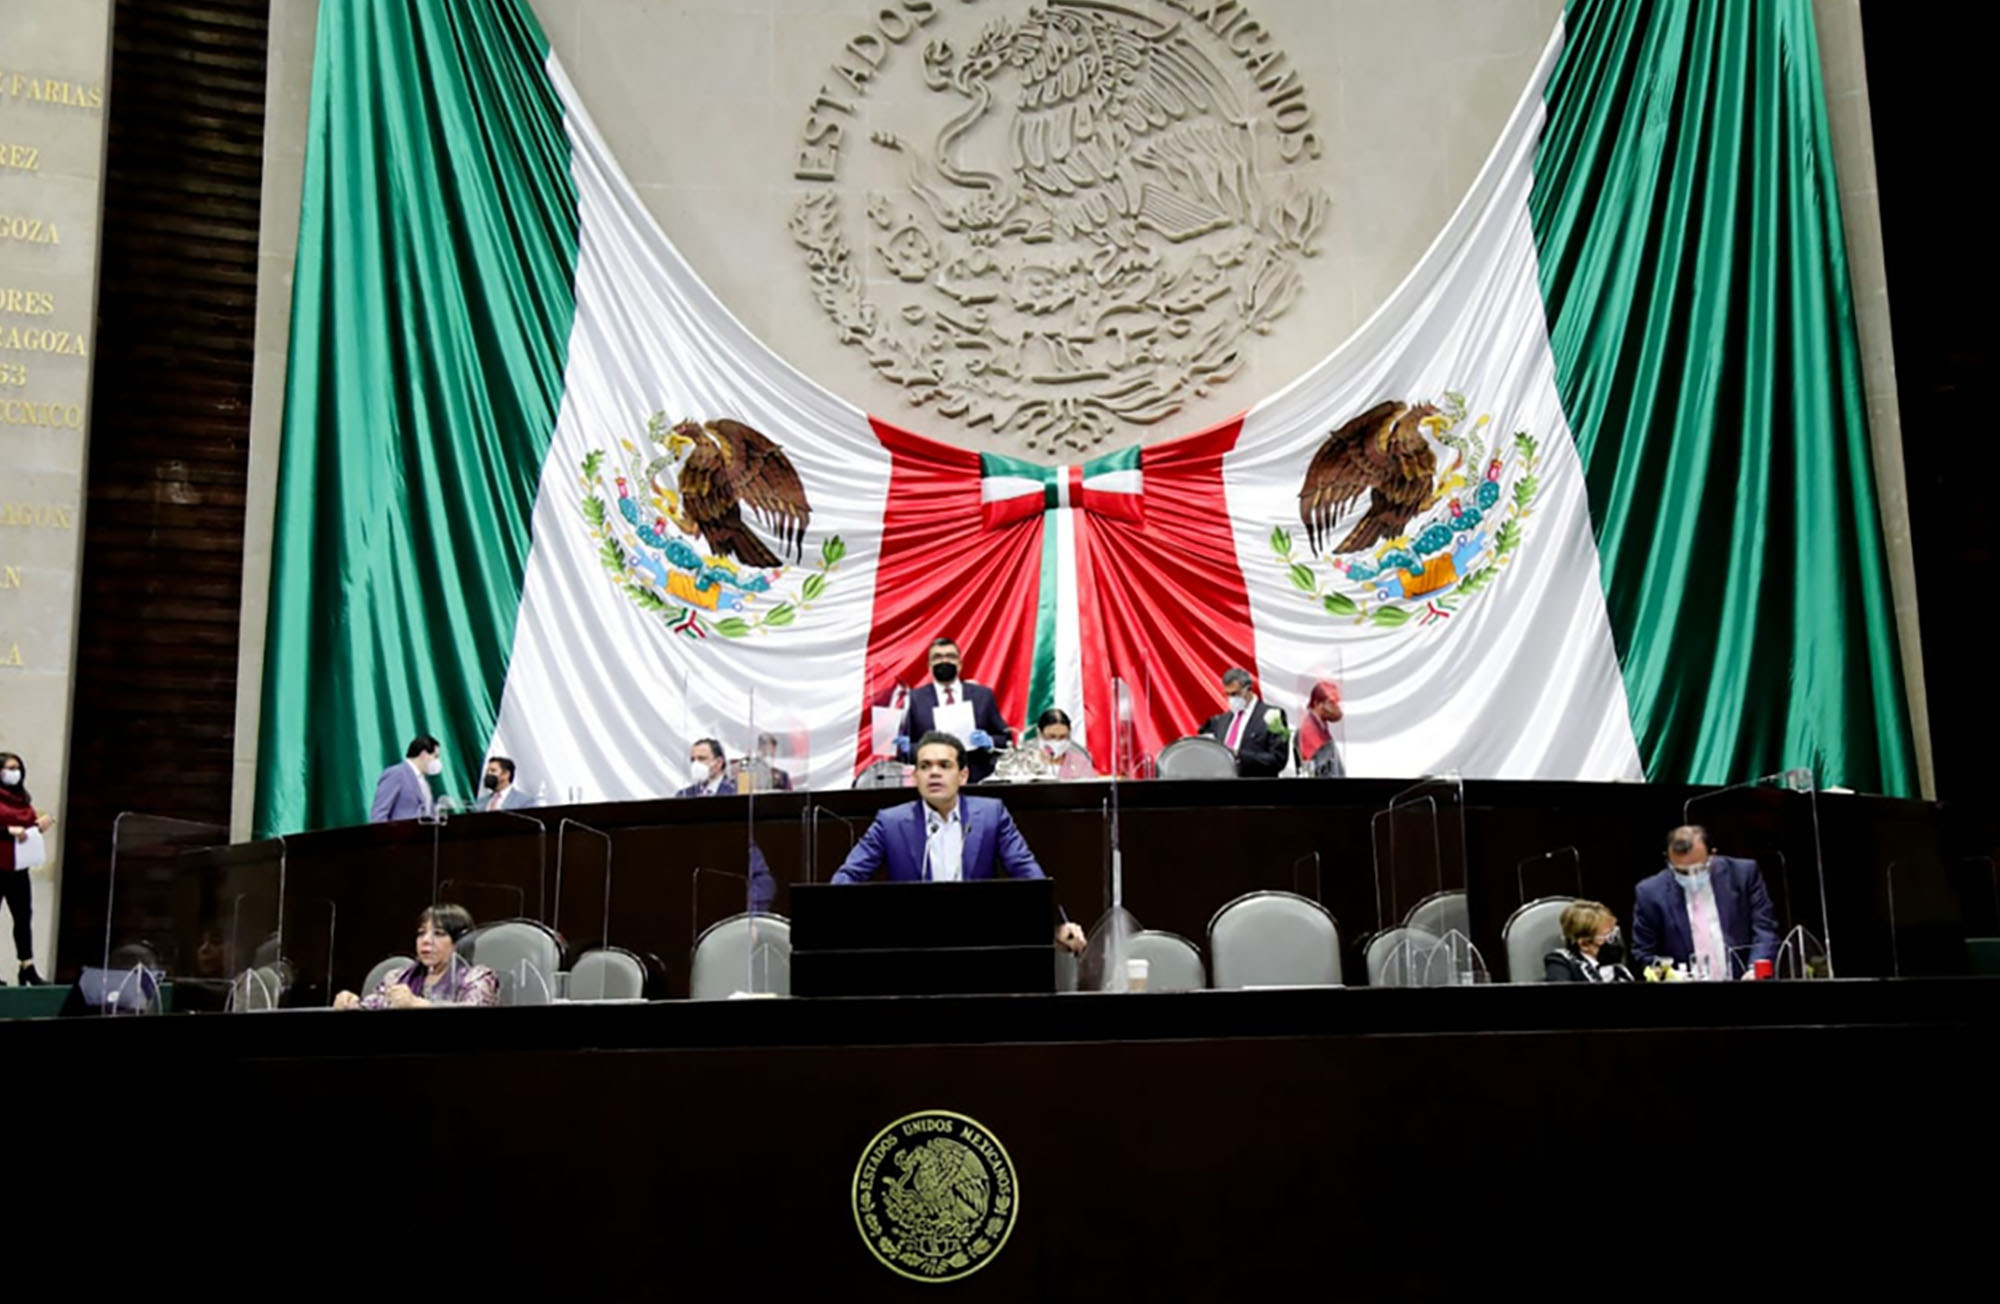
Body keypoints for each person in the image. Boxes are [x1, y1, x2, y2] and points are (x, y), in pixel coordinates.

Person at [834, 732, 1086, 954]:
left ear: (963, 775)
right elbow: (850, 876)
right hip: (911, 947)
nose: (934, 772)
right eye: (925, 766)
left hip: (977, 943)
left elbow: (1026, 870)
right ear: (916, 776)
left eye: (944, 765)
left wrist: (1056, 923)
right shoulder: (890, 822)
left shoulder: (991, 814)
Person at [1632, 824, 1780, 980]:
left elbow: (1765, 929)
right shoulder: (1650, 892)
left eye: (1699, 869)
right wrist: (1670, 975)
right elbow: (1643, 953)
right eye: (1682, 871)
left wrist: (1755, 970)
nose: (1691, 876)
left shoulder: (1743, 875)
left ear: (1712, 855)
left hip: (1742, 980)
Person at [332, 904, 498, 1009]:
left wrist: (418, 1005)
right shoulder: (396, 977)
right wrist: (350, 1004)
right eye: (421, 934)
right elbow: (372, 1007)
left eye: (438, 934)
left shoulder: (478, 977)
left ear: (459, 942)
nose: (425, 941)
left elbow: (475, 1018)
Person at [897, 636, 1013, 784]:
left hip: (978, 780)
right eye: (937, 657)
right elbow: (904, 749)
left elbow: (1005, 738)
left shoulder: (983, 696)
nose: (944, 660)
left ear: (959, 663)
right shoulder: (913, 699)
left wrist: (990, 742)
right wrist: (914, 749)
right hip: (933, 782)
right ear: (929, 665)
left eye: (950, 656)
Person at [1, 752, 54, 986]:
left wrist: (40, 823)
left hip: (18, 868)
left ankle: (27, 967)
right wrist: (8, 831)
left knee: (23, 917)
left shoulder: (22, 798)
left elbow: (28, 826)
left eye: (18, 768)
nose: (15, 773)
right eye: (10, 768)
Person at [1197, 668, 1289, 778]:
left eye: (1235, 694)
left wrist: (1239, 755)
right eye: (1228, 694)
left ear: (1248, 689)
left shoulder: (1273, 715)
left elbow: (1278, 759)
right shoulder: (1221, 721)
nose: (1231, 698)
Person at [1544, 900, 1634, 982]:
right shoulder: (1560, 963)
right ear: (1584, 944)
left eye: (1614, 933)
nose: (1614, 941)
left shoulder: (1618, 967)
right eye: (1607, 937)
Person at [370, 734, 442, 823]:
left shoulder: (423, 780)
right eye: (435, 756)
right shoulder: (396, 773)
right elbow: (379, 814)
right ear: (424, 754)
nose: (437, 761)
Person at [1295, 680, 1346, 778]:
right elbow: (1315, 772)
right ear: (1317, 703)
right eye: (1331, 702)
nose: (1337, 707)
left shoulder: (1321, 728)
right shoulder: (1308, 732)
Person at [1032, 708, 1098, 780]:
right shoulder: (1024, 760)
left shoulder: (1081, 763)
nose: (1057, 742)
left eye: (1062, 737)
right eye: (1051, 736)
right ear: (1039, 733)